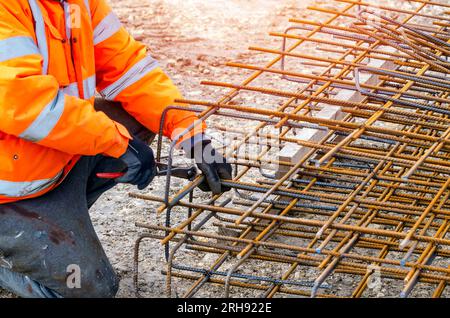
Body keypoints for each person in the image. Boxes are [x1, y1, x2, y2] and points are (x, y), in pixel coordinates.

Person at [0, 0, 232, 298]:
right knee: (89, 291)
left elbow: (130, 69)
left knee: (144, 116)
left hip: (53, 159)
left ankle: (62, 216)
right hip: (9, 187)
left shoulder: (76, 3)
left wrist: (192, 137)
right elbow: (26, 104)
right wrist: (117, 142)